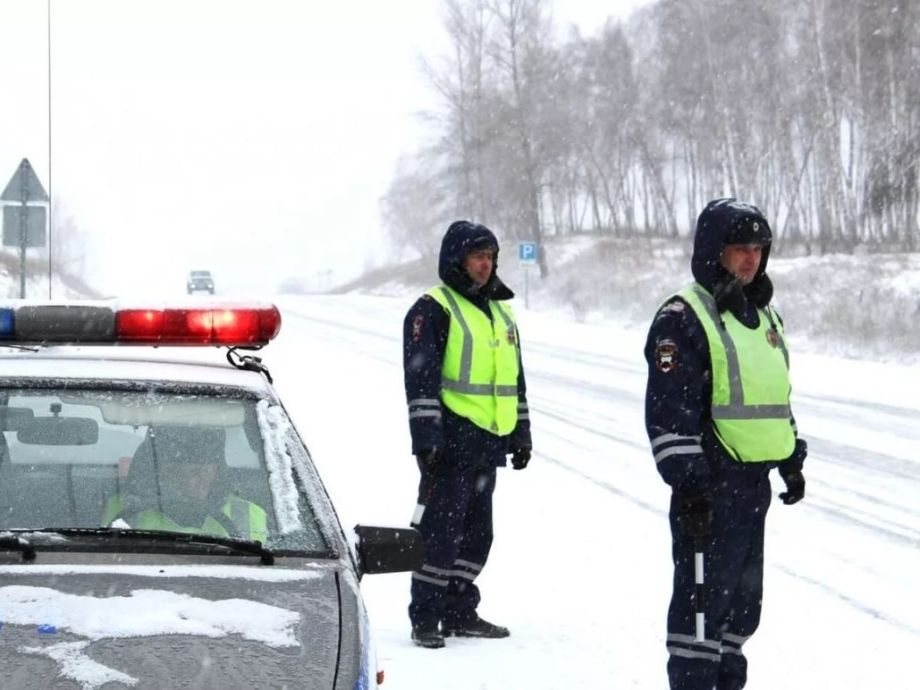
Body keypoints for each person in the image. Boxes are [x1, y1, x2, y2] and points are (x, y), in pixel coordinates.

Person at [643, 198, 808, 690]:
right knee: (701, 610)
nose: (750, 258)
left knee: (740, 608)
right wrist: (690, 484)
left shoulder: (766, 319)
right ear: (714, 251)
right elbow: (670, 412)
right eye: (739, 248)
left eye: (758, 248)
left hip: (751, 488)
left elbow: (773, 395)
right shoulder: (684, 316)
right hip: (710, 489)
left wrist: (791, 458)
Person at [403, 220, 533, 649]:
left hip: (488, 441)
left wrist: (521, 432)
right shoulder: (433, 308)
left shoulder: (501, 311)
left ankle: (460, 611)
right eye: (478, 256)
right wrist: (427, 441)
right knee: (440, 533)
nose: (485, 264)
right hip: (451, 443)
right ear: (457, 260)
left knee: (479, 534)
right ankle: (425, 616)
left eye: (490, 257)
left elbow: (513, 378)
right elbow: (420, 381)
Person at [102, 425, 268, 544]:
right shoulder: (120, 509)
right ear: (160, 474)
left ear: (216, 472)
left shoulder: (249, 515)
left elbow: (268, 565)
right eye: (177, 473)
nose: (190, 482)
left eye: (200, 473)